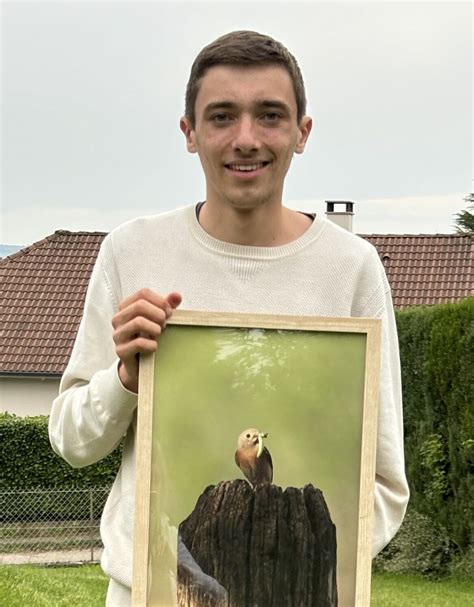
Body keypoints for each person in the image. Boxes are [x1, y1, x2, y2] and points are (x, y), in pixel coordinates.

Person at [49, 30, 409, 605]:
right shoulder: (130, 251)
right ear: (189, 133)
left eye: (270, 115)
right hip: (151, 593)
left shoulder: (353, 267)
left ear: (302, 132)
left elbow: (385, 478)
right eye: (221, 116)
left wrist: (295, 560)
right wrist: (124, 381)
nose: (246, 139)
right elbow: (72, 440)